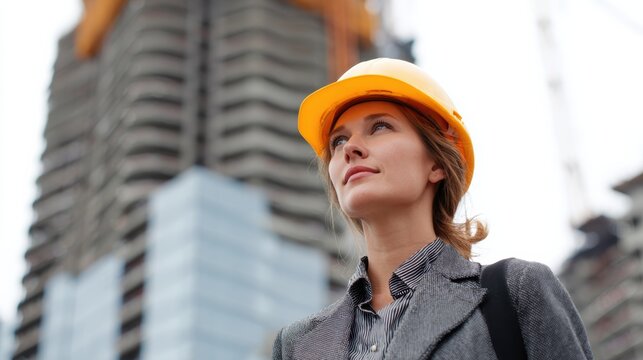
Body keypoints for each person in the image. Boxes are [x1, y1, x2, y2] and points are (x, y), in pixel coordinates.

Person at [272, 58, 593, 359]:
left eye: (380, 126)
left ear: (437, 162)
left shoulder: (515, 292)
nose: (350, 149)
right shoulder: (297, 344)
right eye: (338, 141)